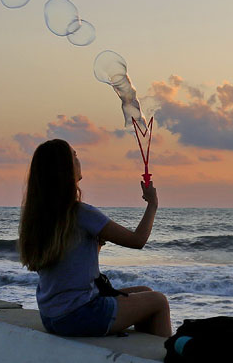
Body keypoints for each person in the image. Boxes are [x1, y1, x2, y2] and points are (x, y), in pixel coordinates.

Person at [18, 139, 171, 337]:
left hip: (53, 317)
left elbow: (71, 266)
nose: (78, 160)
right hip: (81, 314)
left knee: (145, 291)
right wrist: (152, 204)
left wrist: (95, 246)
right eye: (74, 156)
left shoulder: (42, 217)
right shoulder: (81, 213)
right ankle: (168, 360)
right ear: (64, 169)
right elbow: (137, 240)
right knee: (158, 301)